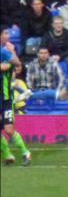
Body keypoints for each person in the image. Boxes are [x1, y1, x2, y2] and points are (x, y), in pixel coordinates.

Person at [1, 36, 30, 166]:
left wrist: (12, 52)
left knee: (8, 129)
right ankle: (8, 155)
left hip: (6, 99)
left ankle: (26, 153)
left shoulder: (5, 53)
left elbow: (17, 64)